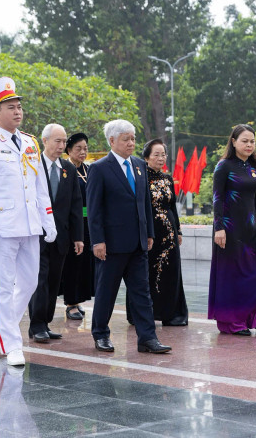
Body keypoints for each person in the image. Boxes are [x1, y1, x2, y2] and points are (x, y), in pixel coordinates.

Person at [0, 77, 57, 367]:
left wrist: (48, 219)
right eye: (10, 107)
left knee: (30, 282)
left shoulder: (31, 142)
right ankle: (11, 344)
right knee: (3, 287)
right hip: (1, 228)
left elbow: (39, 185)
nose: (17, 112)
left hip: (30, 225)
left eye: (19, 107)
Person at [86, 119, 171, 354]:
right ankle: (101, 334)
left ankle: (147, 338)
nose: (131, 143)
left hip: (138, 243)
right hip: (111, 244)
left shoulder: (138, 165)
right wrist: (98, 240)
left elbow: (144, 202)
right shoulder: (99, 168)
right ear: (112, 141)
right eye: (126, 139)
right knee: (106, 292)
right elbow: (94, 209)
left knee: (142, 293)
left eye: (133, 138)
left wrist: (149, 233)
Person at [209, 126, 256, 335]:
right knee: (233, 275)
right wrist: (219, 228)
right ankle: (233, 323)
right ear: (234, 141)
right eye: (244, 141)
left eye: (252, 141)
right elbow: (217, 198)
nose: (249, 145)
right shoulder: (223, 166)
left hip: (251, 229)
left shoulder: (254, 166)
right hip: (229, 229)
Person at [27, 123, 84, 343]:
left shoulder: (68, 169)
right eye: (57, 141)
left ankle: (46, 322)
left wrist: (77, 236)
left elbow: (75, 205)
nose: (62, 146)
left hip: (61, 237)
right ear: (44, 141)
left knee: (53, 280)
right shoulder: (32, 165)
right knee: (39, 280)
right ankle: (37, 324)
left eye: (64, 141)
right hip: (36, 235)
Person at [126, 139, 188, 326]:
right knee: (146, 273)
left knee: (171, 272)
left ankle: (172, 314)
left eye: (163, 155)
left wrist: (178, 230)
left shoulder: (167, 179)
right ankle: (144, 314)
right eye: (156, 155)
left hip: (169, 235)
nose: (161, 158)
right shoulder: (140, 177)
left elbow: (172, 207)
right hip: (150, 233)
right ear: (146, 157)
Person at [60, 132, 95, 320]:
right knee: (72, 263)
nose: (83, 152)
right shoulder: (65, 170)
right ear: (69, 151)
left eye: (85, 148)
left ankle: (78, 300)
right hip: (72, 224)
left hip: (89, 223)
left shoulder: (88, 170)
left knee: (84, 264)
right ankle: (71, 303)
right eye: (78, 149)